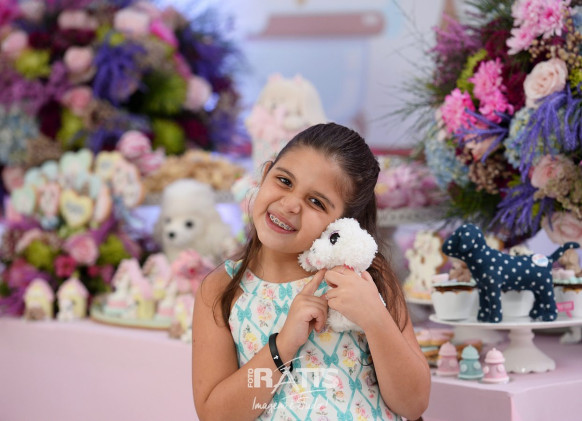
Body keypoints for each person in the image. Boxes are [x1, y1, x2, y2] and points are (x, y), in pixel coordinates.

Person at [192, 123, 430, 420]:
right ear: (265, 174)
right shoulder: (221, 288)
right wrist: (283, 345)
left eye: (316, 202)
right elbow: (215, 415)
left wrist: (375, 318)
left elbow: (413, 404)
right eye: (284, 181)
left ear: (344, 221)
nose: (290, 204)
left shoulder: (365, 277)